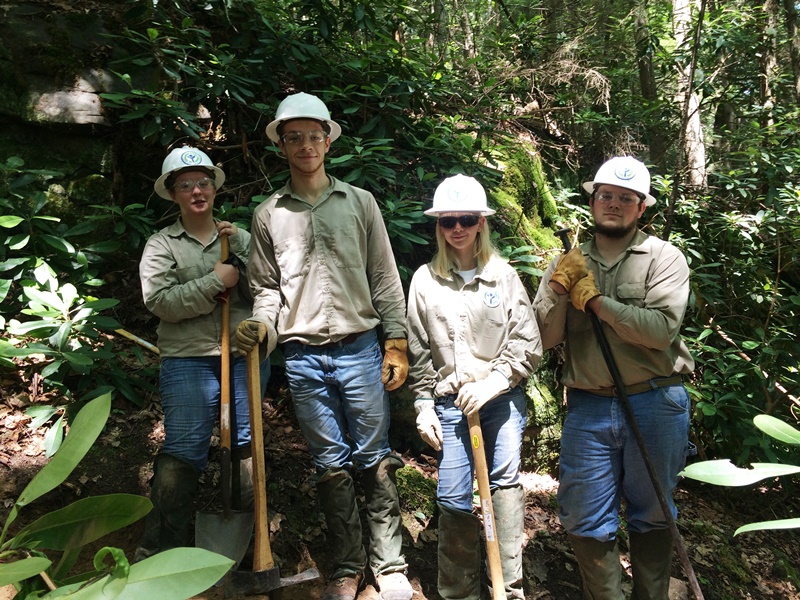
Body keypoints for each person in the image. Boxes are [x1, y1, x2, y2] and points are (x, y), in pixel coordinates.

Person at [235, 92, 413, 600]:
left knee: (375, 456)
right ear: (282, 145)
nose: (306, 145)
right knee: (330, 462)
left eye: (314, 135)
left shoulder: (360, 202)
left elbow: (383, 274)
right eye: (295, 137)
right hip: (301, 355)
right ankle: (347, 567)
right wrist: (261, 330)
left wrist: (395, 341)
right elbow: (267, 289)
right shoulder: (268, 214)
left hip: (360, 349)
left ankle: (391, 565)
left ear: (328, 141)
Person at [533, 156, 696, 599]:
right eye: (606, 195)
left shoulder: (664, 258)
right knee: (583, 516)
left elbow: (661, 331)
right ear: (592, 200)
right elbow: (544, 339)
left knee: (654, 513)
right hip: (588, 405)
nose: (614, 204)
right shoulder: (568, 261)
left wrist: (597, 302)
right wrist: (558, 292)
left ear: (642, 207)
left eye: (626, 198)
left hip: (656, 401)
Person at [406, 175, 543, 600]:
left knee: (503, 487)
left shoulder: (503, 277)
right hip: (451, 406)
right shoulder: (425, 281)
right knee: (452, 496)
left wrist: (497, 380)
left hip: (500, 404)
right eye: (449, 221)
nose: (458, 228)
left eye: (467, 219)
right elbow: (419, 351)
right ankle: (456, 593)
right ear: (439, 226)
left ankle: (508, 589)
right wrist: (423, 405)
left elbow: (527, 340)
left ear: (481, 222)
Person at [136, 146, 270, 560]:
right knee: (184, 448)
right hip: (188, 359)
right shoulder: (162, 246)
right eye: (186, 185)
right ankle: (161, 551)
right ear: (173, 194)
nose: (197, 190)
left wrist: (242, 257)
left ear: (214, 188)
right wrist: (214, 281)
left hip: (243, 354)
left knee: (247, 444)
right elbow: (160, 302)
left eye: (203, 182)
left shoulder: (240, 238)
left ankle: (250, 548)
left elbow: (269, 287)